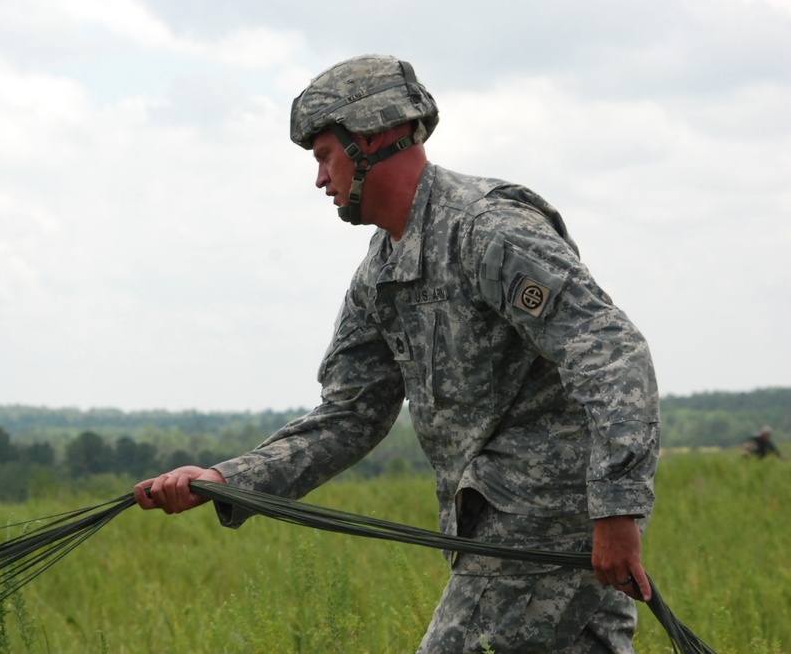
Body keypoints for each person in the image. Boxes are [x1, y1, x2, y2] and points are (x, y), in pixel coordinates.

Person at [135, 54, 661, 653]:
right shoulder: (381, 273)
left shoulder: (488, 229)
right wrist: (226, 479)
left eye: (323, 156)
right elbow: (350, 415)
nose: (319, 179)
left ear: (371, 138)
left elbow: (612, 353)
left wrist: (617, 509)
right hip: (503, 530)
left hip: (553, 523)